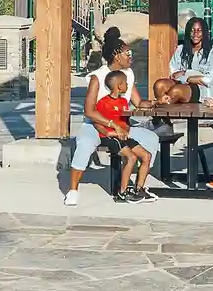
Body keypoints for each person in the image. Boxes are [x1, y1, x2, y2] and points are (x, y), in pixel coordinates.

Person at [65, 27, 160, 206]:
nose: (130, 56)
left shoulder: (128, 74)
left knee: (152, 138)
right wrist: (111, 125)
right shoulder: (98, 77)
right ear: (117, 56)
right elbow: (89, 111)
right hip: (95, 125)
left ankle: (137, 187)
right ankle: (73, 190)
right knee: (85, 144)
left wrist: (157, 102)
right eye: (127, 53)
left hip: (122, 126)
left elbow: (138, 103)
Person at [94, 70, 153, 203]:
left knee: (146, 156)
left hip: (124, 136)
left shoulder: (123, 102)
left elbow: (125, 121)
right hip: (110, 137)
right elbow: (97, 122)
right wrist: (109, 132)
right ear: (119, 86)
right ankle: (123, 192)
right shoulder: (103, 103)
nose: (128, 85)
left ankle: (139, 189)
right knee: (131, 157)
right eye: (126, 83)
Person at [169, 17, 213, 102]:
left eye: (199, 30)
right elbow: (173, 75)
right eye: (192, 30)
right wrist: (193, 77)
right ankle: (162, 110)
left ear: (204, 32)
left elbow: (208, 80)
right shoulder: (180, 49)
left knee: (176, 91)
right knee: (160, 85)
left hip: (204, 93)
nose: (195, 34)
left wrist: (185, 74)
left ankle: (164, 110)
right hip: (182, 86)